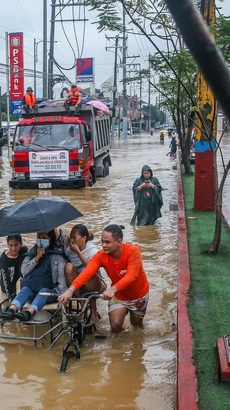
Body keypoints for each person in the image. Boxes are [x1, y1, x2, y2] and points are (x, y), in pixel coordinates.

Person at [58, 224, 149, 334]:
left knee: (136, 325)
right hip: (119, 295)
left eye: (107, 242)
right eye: (102, 242)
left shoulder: (133, 251)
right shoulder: (101, 255)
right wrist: (70, 290)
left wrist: (112, 289)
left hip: (138, 295)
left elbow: (132, 275)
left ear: (119, 242)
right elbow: (87, 272)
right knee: (115, 327)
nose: (103, 245)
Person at [0, 230, 67, 321]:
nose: (40, 240)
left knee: (43, 292)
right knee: (25, 289)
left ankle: (29, 312)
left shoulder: (57, 256)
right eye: (39, 237)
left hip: (51, 291)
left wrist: (62, 296)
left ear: (51, 239)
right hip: (33, 288)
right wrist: (37, 257)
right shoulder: (32, 252)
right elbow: (24, 271)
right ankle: (11, 310)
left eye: (44, 238)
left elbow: (62, 279)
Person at [65, 224, 107, 323]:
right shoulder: (69, 251)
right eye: (71, 237)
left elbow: (91, 268)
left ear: (84, 238)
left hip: (96, 283)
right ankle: (82, 304)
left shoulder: (93, 251)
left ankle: (93, 311)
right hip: (78, 284)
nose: (72, 240)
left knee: (88, 273)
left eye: (74, 237)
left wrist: (78, 252)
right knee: (68, 267)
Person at [0, 235, 28, 301]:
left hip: (21, 286)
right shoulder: (4, 259)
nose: (13, 248)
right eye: (11, 245)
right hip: (8, 290)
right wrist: (10, 298)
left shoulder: (24, 251)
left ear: (21, 244)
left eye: (16, 245)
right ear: (7, 244)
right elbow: (5, 281)